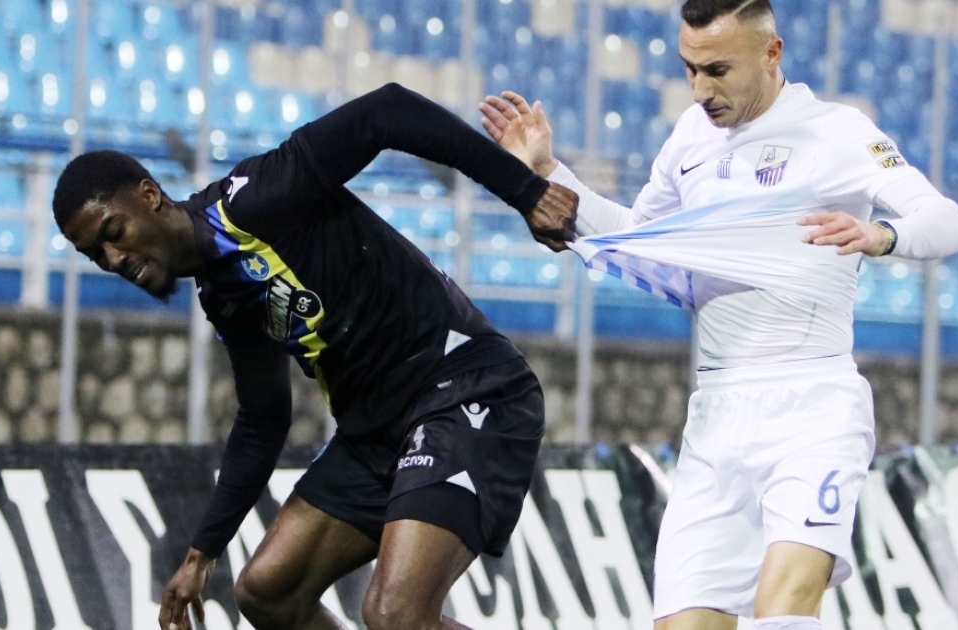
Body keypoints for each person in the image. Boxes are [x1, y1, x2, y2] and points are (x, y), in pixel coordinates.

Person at [479, 1, 958, 629]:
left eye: (717, 71)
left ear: (771, 53)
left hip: (813, 406)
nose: (700, 90)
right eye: (689, 69)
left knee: (781, 609)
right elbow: (639, 239)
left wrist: (881, 235)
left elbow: (949, 223)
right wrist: (551, 172)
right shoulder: (690, 138)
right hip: (717, 416)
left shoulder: (836, 132)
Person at [53, 83, 579, 630]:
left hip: (464, 387)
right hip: (375, 432)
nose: (113, 258)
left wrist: (525, 191)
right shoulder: (220, 294)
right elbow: (263, 419)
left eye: (113, 232)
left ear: (149, 196)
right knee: (268, 592)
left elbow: (387, 110)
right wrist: (200, 555)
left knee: (395, 615)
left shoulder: (256, 199)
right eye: (95, 254)